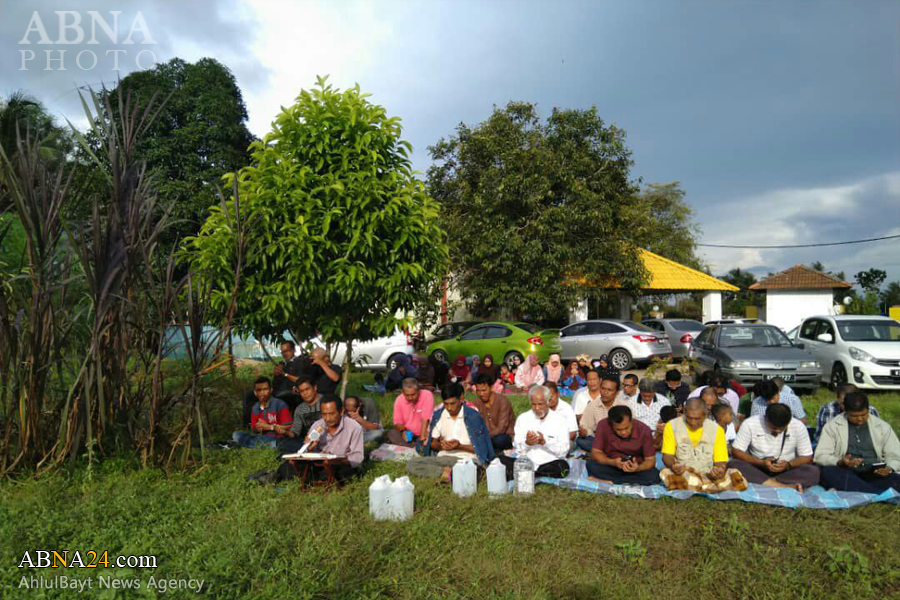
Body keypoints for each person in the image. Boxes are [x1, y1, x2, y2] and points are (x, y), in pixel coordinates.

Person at [814, 392, 900, 494]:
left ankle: (863, 491)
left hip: (875, 474)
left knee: (896, 479)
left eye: (863, 415)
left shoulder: (882, 426)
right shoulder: (832, 426)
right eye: (854, 416)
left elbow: (895, 455)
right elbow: (820, 456)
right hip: (846, 472)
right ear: (845, 411)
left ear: (868, 410)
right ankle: (878, 494)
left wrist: (889, 469)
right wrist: (840, 462)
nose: (860, 419)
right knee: (829, 472)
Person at [266, 395, 364, 485]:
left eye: (331, 414)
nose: (327, 418)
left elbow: (357, 457)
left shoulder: (354, 427)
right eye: (324, 414)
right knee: (286, 467)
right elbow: (308, 453)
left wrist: (337, 459)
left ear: (341, 411)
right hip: (318, 464)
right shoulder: (318, 425)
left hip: (339, 465)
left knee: (344, 473)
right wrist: (309, 448)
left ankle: (315, 480)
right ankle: (274, 476)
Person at [407, 382, 495, 479]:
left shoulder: (473, 416)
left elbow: (482, 449)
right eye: (446, 404)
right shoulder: (438, 415)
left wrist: (460, 446)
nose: (449, 408)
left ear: (461, 398)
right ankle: (448, 473)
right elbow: (433, 444)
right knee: (412, 464)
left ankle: (450, 474)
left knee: (475, 468)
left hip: (468, 459)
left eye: (452, 403)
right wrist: (442, 446)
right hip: (444, 458)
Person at [728, 403, 819, 492]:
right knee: (733, 464)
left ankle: (768, 482)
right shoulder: (750, 423)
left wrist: (788, 465)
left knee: (813, 471)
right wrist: (761, 463)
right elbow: (736, 451)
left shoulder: (798, 426)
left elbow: (807, 456)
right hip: (758, 466)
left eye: (782, 428)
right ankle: (781, 485)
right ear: (766, 419)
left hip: (786, 470)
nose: (778, 431)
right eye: (774, 428)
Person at [498, 385, 571, 480]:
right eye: (534, 404)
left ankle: (528, 473)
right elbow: (517, 448)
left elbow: (563, 452)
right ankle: (531, 473)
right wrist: (527, 443)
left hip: (549, 463)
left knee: (563, 467)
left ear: (548, 402)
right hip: (526, 462)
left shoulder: (560, 421)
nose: (537, 408)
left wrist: (545, 443)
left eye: (540, 404)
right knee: (499, 460)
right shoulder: (523, 418)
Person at [586, 405, 660, 486]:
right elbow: (596, 452)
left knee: (654, 476)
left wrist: (637, 468)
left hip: (636, 467)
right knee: (591, 465)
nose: (623, 432)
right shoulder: (603, 425)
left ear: (631, 421)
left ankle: (610, 481)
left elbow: (650, 460)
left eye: (626, 428)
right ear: (611, 424)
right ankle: (624, 481)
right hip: (612, 465)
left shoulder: (644, 430)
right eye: (618, 429)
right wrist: (613, 462)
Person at [660, 398, 730, 481]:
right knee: (665, 472)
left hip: (708, 474)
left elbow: (720, 460)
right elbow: (667, 456)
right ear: (684, 413)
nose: (693, 422)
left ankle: (700, 484)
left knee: (734, 473)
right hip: (683, 474)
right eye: (689, 418)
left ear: (705, 415)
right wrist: (674, 466)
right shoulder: (672, 426)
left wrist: (718, 470)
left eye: (697, 419)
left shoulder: (717, 430)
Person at [242, 340, 306, 422]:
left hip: (290, 391)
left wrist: (284, 374)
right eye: (282, 352)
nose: (284, 354)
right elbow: (275, 383)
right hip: (276, 390)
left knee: (276, 395)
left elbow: (301, 380)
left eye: (286, 351)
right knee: (249, 394)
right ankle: (248, 422)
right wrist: (276, 375)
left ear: (293, 350)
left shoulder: (300, 362)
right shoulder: (281, 363)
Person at [233, 377, 293, 448]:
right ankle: (257, 445)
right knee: (236, 434)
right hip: (261, 438)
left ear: (271, 390)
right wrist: (257, 428)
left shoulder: (280, 404)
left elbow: (289, 428)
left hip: (277, 438)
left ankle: (247, 444)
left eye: (265, 389)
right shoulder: (255, 408)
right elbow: (254, 430)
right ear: (255, 393)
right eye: (259, 390)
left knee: (273, 442)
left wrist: (269, 427)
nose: (262, 393)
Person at [575, 374, 629, 452]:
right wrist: (584, 432)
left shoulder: (624, 406)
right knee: (581, 440)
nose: (605, 392)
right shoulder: (592, 405)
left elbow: (632, 427)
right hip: (599, 441)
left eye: (609, 390)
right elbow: (586, 426)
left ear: (617, 392)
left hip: (619, 439)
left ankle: (605, 451)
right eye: (603, 388)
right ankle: (610, 451)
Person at [813, 383, 880, 443]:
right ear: (838, 399)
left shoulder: (870, 411)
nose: (847, 407)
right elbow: (822, 436)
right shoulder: (828, 410)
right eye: (843, 403)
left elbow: (877, 436)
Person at [470, 373, 515, 451]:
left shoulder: (502, 401)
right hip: (485, 437)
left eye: (484, 390)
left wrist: (485, 437)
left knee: (500, 440)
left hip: (503, 436)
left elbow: (502, 428)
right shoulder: (476, 403)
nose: (481, 394)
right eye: (478, 391)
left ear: (491, 387)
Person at [277, 377, 322, 453]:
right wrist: (285, 432)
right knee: (282, 443)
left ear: (315, 388)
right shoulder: (299, 409)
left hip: (325, 439)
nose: (305, 393)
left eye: (307, 389)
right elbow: (295, 433)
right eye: (302, 391)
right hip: (307, 441)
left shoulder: (326, 402)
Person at [388, 378, 435, 447]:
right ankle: (414, 446)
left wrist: (422, 437)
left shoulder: (427, 395)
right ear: (403, 392)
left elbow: (425, 419)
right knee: (392, 433)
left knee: (433, 437)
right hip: (409, 433)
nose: (410, 398)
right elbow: (397, 423)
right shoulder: (399, 400)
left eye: (413, 395)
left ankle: (413, 446)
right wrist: (403, 431)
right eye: (407, 395)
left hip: (425, 432)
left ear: (418, 391)